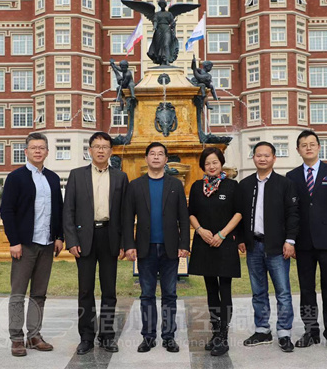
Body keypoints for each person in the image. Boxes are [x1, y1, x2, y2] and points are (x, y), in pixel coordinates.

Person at [63, 132, 128, 355]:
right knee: (85, 290)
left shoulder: (120, 177)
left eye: (105, 147)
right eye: (97, 146)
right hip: (84, 239)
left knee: (109, 290)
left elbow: (125, 213)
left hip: (110, 237)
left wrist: (123, 242)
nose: (101, 150)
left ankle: (107, 336)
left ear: (111, 151)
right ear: (89, 150)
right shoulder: (76, 175)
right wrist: (71, 240)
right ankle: (86, 337)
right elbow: (68, 211)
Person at [0, 133, 64, 357]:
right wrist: (14, 241)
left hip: (47, 244)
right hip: (25, 245)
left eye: (42, 147)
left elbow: (58, 210)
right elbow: (7, 211)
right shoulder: (16, 177)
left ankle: (34, 335)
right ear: (26, 151)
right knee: (18, 293)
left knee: (39, 293)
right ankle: (17, 338)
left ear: (47, 152)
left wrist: (59, 236)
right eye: (34, 147)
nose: (38, 151)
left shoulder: (53, 178)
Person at [123, 142, 190, 353]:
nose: (156, 157)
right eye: (152, 154)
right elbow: (127, 218)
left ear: (166, 160)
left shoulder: (175, 184)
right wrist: (129, 245)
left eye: (160, 154)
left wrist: (184, 244)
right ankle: (148, 337)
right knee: (147, 295)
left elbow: (183, 217)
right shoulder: (135, 185)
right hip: (145, 248)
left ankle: (169, 337)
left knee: (170, 294)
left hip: (171, 248)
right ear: (146, 158)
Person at [286, 130, 327, 354]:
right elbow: (291, 211)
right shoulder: (292, 176)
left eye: (312, 144)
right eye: (304, 145)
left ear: (319, 147)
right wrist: (291, 241)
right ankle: (311, 331)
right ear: (298, 150)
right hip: (303, 243)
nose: (308, 148)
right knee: (306, 289)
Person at [237, 141, 298, 353]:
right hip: (254, 246)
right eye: (258, 155)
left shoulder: (285, 184)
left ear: (274, 158)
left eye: (266, 155)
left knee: (283, 292)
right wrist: (241, 239)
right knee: (258, 291)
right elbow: (239, 215)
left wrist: (290, 241)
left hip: (278, 247)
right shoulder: (245, 185)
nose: (262, 158)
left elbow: (293, 214)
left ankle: (284, 332)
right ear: (253, 157)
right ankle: (262, 330)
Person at [188, 147, 242, 356]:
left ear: (221, 163)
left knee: (225, 288)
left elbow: (239, 213)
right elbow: (191, 213)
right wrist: (200, 230)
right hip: (204, 243)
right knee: (211, 289)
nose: (211, 166)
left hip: (224, 243)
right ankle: (215, 332)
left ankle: (223, 335)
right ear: (203, 166)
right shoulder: (196, 186)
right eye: (207, 163)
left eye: (215, 162)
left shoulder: (232, 186)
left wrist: (222, 234)